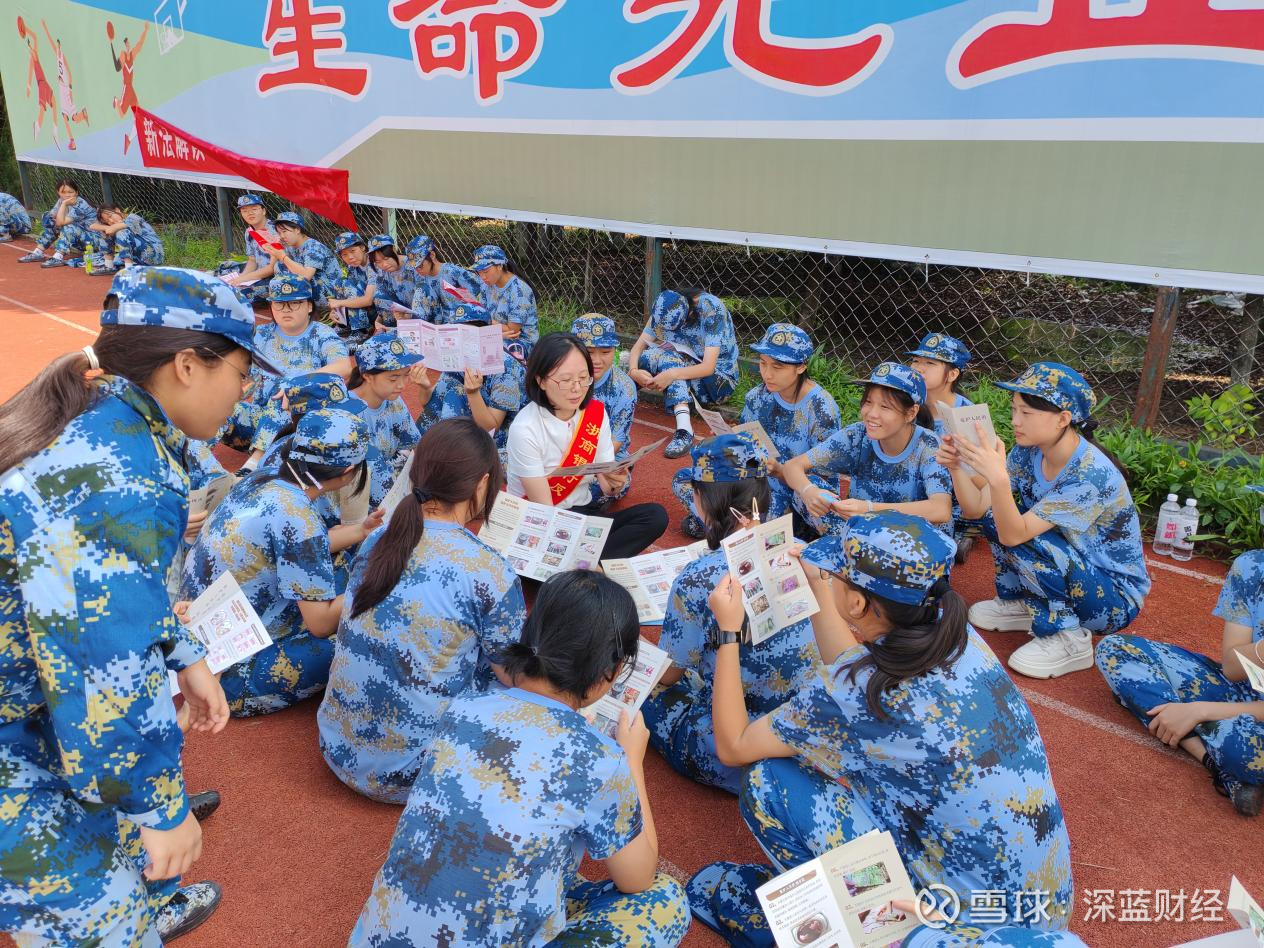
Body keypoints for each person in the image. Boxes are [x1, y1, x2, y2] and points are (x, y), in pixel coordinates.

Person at [0, 267, 280, 944]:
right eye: (242, 373)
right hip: (19, 742)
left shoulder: (104, 415)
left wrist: (185, 655)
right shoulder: (115, 473)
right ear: (187, 364)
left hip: (32, 706)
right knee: (104, 928)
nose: (244, 392)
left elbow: (111, 602)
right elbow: (102, 665)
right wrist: (161, 805)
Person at [686, 512, 1075, 945]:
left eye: (836, 575)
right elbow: (848, 668)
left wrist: (728, 632)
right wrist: (819, 584)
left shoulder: (862, 693)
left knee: (768, 781)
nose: (830, 578)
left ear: (857, 604)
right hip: (1042, 915)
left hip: (956, 931)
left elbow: (734, 746)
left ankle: (864, 931)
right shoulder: (956, 633)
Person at [350, 570, 690, 947]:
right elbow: (637, 879)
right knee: (666, 902)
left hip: (376, 939)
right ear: (609, 672)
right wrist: (632, 763)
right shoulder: (601, 759)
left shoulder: (464, 708)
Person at [318, 418, 525, 803]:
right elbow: (514, 678)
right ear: (482, 484)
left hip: (335, 748)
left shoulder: (381, 537)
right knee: (517, 679)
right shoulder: (491, 571)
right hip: (412, 774)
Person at [941, 362, 1150, 679]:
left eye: (1026, 413)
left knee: (1023, 531)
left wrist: (998, 480)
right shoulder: (1029, 451)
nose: (1015, 421)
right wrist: (957, 467)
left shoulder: (1090, 474)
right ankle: (1021, 601)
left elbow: (1015, 535)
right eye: (1014, 409)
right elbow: (976, 510)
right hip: (1071, 563)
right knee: (999, 516)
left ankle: (1067, 636)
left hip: (1111, 601)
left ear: (1063, 419)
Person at [642, 432, 822, 793]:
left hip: (733, 747)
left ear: (700, 500)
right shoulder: (802, 551)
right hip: (804, 732)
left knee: (641, 689)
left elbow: (670, 675)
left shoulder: (696, 579)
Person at [181, 407, 376, 717]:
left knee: (340, 569)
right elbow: (320, 623)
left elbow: (299, 547)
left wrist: (362, 530)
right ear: (348, 470)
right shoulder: (299, 519)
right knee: (360, 635)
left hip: (194, 636)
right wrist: (375, 581)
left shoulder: (267, 477)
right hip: (224, 672)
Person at [1097, 485, 1264, 817]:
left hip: (1248, 721)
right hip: (1242, 691)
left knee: (1245, 750)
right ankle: (1211, 760)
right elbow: (1232, 668)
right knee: (1115, 651)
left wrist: (1200, 710)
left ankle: (1162, 711)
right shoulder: (1252, 568)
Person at [506, 333, 667, 560]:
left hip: (582, 514)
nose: (577, 388)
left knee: (654, 516)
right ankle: (584, 566)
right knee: (546, 563)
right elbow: (544, 509)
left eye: (583, 378)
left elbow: (607, 488)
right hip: (539, 521)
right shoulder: (525, 428)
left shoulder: (595, 414)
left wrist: (615, 482)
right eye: (566, 380)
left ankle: (585, 567)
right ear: (540, 380)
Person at [673, 324, 841, 538]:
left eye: (777, 367)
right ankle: (732, 528)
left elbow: (822, 481)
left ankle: (719, 524)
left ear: (801, 366)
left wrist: (780, 471)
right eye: (763, 363)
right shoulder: (757, 397)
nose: (767, 374)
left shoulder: (822, 409)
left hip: (792, 497)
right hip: (754, 484)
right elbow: (746, 451)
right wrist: (728, 441)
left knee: (788, 500)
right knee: (687, 479)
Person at [782, 362, 952, 538]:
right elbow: (792, 466)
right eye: (868, 402)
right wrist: (808, 491)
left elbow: (941, 509)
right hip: (863, 531)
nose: (871, 413)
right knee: (807, 488)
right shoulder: (857, 435)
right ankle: (850, 545)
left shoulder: (929, 445)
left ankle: (848, 546)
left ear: (911, 413)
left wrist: (870, 509)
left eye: (885, 407)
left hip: (911, 539)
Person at [220, 276, 351, 473]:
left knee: (288, 387)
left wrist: (297, 382)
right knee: (214, 404)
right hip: (261, 420)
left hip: (300, 428)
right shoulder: (261, 334)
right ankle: (201, 468)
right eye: (279, 304)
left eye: (294, 303)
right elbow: (235, 369)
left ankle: (253, 465)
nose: (286, 310)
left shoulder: (322, 334)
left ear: (309, 306)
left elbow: (344, 366)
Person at [628, 289, 739, 458]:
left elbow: (708, 367)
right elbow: (638, 348)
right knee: (649, 356)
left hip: (717, 382)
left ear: (690, 313)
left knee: (668, 360)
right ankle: (617, 404)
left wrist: (672, 374)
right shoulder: (665, 306)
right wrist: (634, 372)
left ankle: (685, 430)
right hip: (682, 368)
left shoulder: (711, 310)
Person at [414, 302, 525, 459]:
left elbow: (491, 428)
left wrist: (473, 394)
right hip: (473, 424)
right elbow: (432, 404)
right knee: (452, 387)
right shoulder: (458, 358)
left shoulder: (505, 367)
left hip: (503, 442)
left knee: (456, 392)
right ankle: (420, 451)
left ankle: (444, 455)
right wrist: (424, 387)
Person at [907, 331, 978, 563]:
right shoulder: (905, 402)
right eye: (916, 360)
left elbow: (979, 478)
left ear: (952, 374)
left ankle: (965, 532)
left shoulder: (967, 416)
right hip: (912, 486)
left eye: (930, 363)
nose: (919, 368)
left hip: (953, 498)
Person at [346, 333, 424, 510]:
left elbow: (415, 445)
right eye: (393, 378)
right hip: (359, 490)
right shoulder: (348, 414)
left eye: (406, 375)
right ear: (367, 376)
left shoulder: (393, 400)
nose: (402, 385)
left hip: (388, 475)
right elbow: (371, 475)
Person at [572, 314, 638, 508]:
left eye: (606, 351)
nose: (597, 360)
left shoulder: (624, 388)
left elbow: (615, 442)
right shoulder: (559, 376)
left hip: (604, 457)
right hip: (561, 450)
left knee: (602, 489)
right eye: (589, 352)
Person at [471, 243, 538, 359]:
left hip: (521, 343)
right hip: (495, 334)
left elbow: (512, 331)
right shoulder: (486, 285)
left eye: (485, 271)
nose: (482, 277)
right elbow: (481, 316)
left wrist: (486, 321)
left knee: (491, 351)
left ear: (500, 266)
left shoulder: (519, 291)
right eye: (478, 272)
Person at [405, 233, 484, 324]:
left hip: (461, 321)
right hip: (436, 324)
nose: (417, 270)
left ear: (432, 255)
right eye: (414, 267)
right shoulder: (421, 278)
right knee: (421, 289)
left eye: (420, 265)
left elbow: (480, 292)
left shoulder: (451, 272)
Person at [267, 210, 341, 305]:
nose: (281, 236)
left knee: (287, 265)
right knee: (280, 265)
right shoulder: (290, 246)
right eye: (279, 233)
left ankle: (302, 305)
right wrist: (274, 251)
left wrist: (283, 256)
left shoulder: (313, 247)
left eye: (284, 231)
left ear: (297, 230)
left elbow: (306, 276)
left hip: (330, 293)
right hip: (313, 288)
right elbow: (274, 267)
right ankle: (287, 301)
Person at [18, 178, 96, 267]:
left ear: (76, 192)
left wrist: (64, 205)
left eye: (70, 192)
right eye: (63, 192)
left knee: (68, 227)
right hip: (80, 239)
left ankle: (58, 257)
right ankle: (38, 252)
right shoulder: (61, 201)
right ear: (58, 192)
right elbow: (51, 217)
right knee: (53, 225)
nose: (67, 195)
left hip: (93, 241)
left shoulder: (81, 204)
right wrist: (50, 218)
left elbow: (60, 222)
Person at [217, 194, 279, 306]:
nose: (249, 213)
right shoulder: (249, 232)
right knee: (221, 276)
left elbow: (272, 269)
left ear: (263, 211)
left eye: (254, 209)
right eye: (244, 211)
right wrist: (242, 278)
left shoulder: (276, 231)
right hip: (258, 274)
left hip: (275, 278)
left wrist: (242, 279)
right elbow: (252, 260)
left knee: (236, 295)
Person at [326, 231, 376, 351]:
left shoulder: (374, 263)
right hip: (363, 309)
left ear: (363, 247)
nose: (350, 257)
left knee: (348, 285)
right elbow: (348, 293)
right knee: (340, 283)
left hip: (378, 310)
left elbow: (368, 300)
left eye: (353, 251)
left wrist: (339, 303)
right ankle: (343, 325)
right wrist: (335, 311)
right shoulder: (352, 267)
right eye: (344, 254)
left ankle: (361, 331)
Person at [45, 20, 90, 150]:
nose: (57, 47)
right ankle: (74, 136)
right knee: (67, 116)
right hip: (62, 88)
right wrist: (45, 28)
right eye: (57, 46)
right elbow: (51, 43)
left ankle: (74, 138)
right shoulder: (57, 56)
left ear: (60, 46)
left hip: (65, 89)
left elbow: (69, 72)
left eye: (58, 45)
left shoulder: (62, 57)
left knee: (71, 117)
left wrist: (69, 87)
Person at [86, 204, 165, 274]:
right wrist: (106, 228)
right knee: (105, 234)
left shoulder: (133, 217)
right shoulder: (116, 223)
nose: (111, 221)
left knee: (121, 232)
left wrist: (107, 228)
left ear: (117, 210)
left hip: (154, 255)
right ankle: (109, 266)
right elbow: (92, 226)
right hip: (140, 257)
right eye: (107, 221)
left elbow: (111, 230)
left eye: (110, 216)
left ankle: (129, 269)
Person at [109, 21, 149, 154]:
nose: (128, 45)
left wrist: (145, 30)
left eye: (128, 43)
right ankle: (116, 101)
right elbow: (116, 67)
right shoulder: (122, 55)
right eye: (126, 43)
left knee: (139, 117)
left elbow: (140, 44)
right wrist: (111, 44)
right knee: (121, 114)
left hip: (131, 89)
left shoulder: (132, 55)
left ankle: (129, 139)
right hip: (126, 88)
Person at [20, 16, 58, 147]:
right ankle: (37, 126)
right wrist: (29, 86)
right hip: (42, 84)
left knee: (54, 103)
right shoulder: (33, 59)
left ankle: (54, 130)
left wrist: (26, 29)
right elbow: (30, 73)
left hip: (45, 83)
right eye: (31, 50)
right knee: (42, 108)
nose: (33, 51)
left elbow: (35, 37)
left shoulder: (34, 57)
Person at [367, 234, 418, 329]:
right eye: (378, 262)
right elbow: (382, 300)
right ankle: (389, 328)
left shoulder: (413, 266)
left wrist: (408, 316)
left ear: (394, 249)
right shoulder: (382, 272)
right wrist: (378, 321)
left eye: (386, 258)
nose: (383, 265)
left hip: (418, 314)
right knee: (378, 295)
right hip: (397, 316)